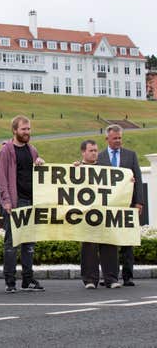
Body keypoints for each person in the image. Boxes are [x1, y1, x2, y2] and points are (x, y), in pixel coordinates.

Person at [0, 115, 45, 293]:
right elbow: (1, 178)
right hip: (15, 203)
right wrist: (7, 201)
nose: (27, 132)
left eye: (29, 129)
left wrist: (40, 165)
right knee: (11, 243)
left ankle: (28, 279)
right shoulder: (5, 151)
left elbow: (38, 177)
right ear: (15, 130)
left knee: (29, 243)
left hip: (31, 201)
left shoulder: (33, 150)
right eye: (24, 129)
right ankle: (10, 281)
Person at [97, 124, 144, 287]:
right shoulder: (100, 157)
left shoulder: (131, 156)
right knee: (107, 242)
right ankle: (110, 276)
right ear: (107, 139)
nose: (118, 141)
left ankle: (128, 276)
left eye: (120, 138)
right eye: (115, 138)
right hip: (107, 207)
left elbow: (138, 179)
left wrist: (139, 202)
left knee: (127, 242)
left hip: (128, 205)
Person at [77, 140, 121, 289]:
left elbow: (118, 186)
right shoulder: (76, 169)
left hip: (104, 212)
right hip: (86, 214)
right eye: (91, 151)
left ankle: (112, 279)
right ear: (83, 152)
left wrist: (128, 181)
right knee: (89, 246)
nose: (95, 153)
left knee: (109, 243)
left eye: (96, 150)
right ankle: (90, 280)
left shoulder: (105, 169)